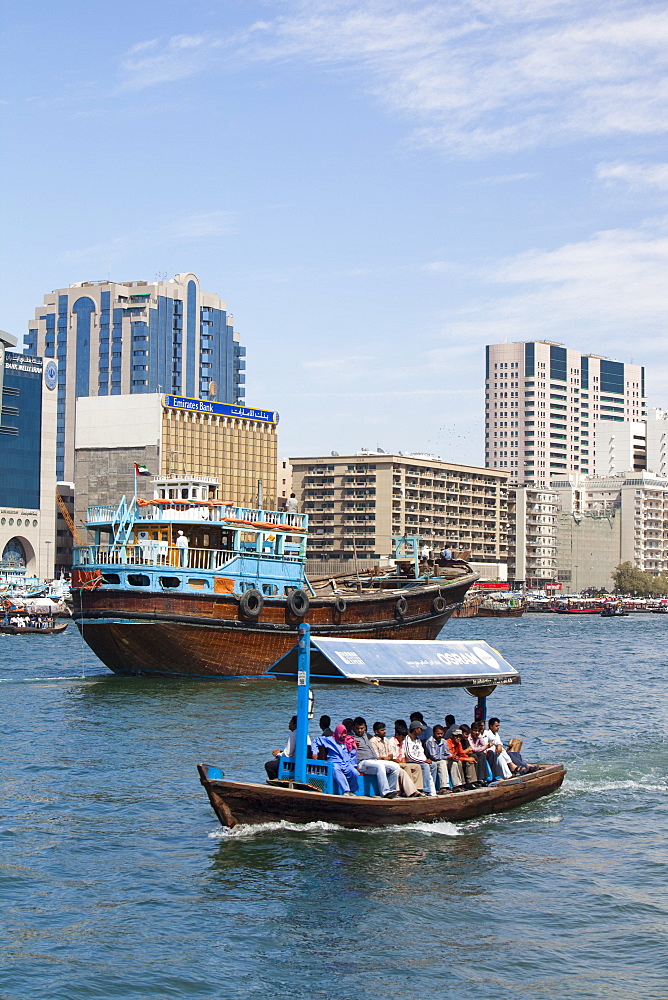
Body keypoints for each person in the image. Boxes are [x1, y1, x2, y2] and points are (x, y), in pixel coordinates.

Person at [351, 717, 400, 798]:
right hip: (362, 763)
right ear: (354, 728)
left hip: (374, 761)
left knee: (395, 766)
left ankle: (392, 790)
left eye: (362, 728)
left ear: (365, 727)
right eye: (357, 728)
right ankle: (385, 792)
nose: (359, 731)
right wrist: (353, 745)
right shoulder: (351, 738)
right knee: (379, 766)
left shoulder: (366, 735)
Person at [369, 722, 421, 797]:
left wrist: (387, 758)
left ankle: (415, 790)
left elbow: (391, 755)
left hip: (389, 762)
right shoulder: (373, 741)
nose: (384, 731)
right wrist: (386, 758)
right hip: (380, 764)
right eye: (382, 730)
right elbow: (377, 757)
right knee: (400, 770)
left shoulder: (386, 740)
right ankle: (407, 792)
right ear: (376, 732)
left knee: (413, 767)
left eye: (384, 729)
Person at [311, 724, 359, 795]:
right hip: (335, 762)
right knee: (336, 769)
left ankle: (352, 791)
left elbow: (352, 754)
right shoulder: (330, 740)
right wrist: (315, 752)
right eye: (342, 733)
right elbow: (316, 741)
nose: (344, 735)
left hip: (346, 763)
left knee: (354, 772)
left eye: (345, 733)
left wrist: (354, 764)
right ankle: (346, 790)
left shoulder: (348, 742)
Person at [264, 715, 311, 780]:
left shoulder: (294, 733)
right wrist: (281, 753)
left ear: (294, 724)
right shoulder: (305, 734)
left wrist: (277, 754)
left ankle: (277, 781)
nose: (289, 724)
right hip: (303, 763)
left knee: (269, 765)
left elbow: (287, 754)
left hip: (294, 763)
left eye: (290, 722)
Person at [402, 720, 437, 795]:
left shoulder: (418, 740)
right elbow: (409, 755)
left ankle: (432, 787)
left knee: (433, 765)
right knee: (425, 766)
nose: (422, 730)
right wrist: (423, 761)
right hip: (410, 761)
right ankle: (426, 789)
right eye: (420, 729)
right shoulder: (407, 739)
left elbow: (421, 752)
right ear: (416, 729)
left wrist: (425, 759)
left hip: (420, 760)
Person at [389, 722, 425, 791]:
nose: (403, 739)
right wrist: (402, 763)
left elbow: (402, 756)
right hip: (394, 762)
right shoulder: (391, 742)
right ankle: (409, 790)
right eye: (402, 737)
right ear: (397, 735)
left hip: (400, 762)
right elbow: (393, 758)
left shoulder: (401, 742)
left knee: (417, 767)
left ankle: (418, 788)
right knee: (407, 767)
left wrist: (403, 762)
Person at [425, 725, 452, 792]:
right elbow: (434, 756)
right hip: (433, 761)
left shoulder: (443, 741)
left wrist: (452, 757)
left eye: (441, 734)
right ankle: (443, 786)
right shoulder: (430, 742)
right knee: (441, 763)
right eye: (438, 734)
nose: (440, 735)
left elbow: (447, 752)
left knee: (454, 763)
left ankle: (457, 785)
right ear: (434, 733)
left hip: (443, 759)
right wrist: (446, 757)